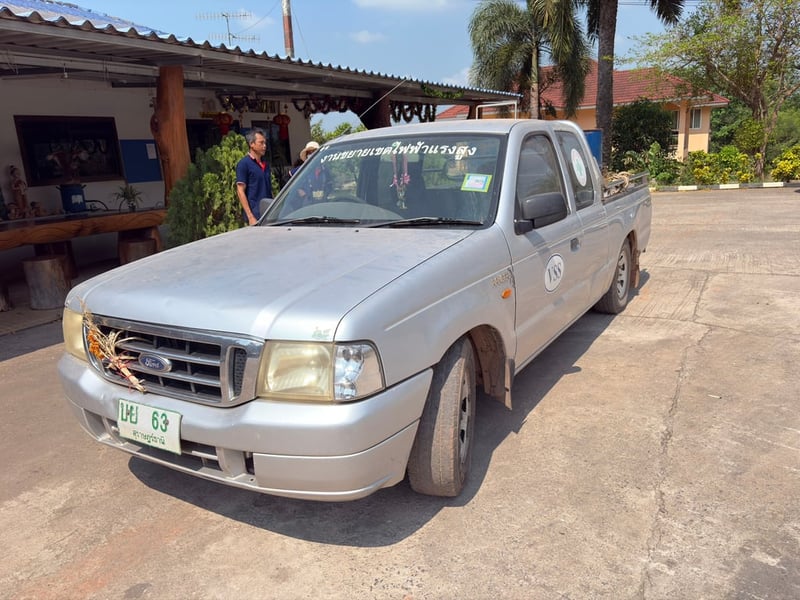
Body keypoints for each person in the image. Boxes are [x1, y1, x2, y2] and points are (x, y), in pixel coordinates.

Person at [235, 128, 272, 225]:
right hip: (255, 216)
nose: (264, 146)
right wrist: (250, 216)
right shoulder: (244, 164)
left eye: (265, 143)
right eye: (261, 143)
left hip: (268, 213)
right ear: (252, 144)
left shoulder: (266, 165)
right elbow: (240, 191)